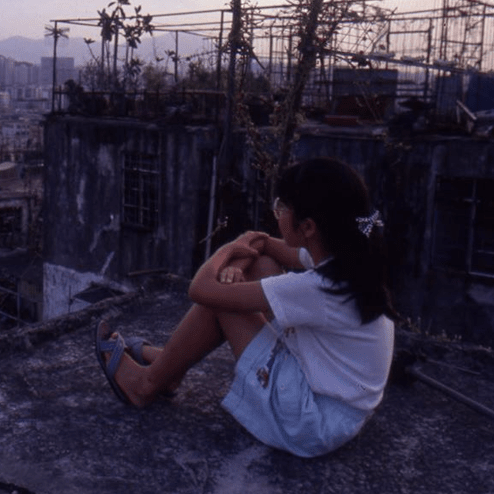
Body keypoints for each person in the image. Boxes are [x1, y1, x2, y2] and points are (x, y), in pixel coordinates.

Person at [94, 157, 397, 457]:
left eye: (281, 207)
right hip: (340, 408)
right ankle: (169, 369)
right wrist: (243, 256)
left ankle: (146, 384)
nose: (276, 213)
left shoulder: (318, 287)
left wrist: (227, 251)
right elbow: (264, 245)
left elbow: (200, 290)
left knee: (224, 296)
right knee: (262, 266)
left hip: (313, 421)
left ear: (307, 227)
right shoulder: (346, 258)